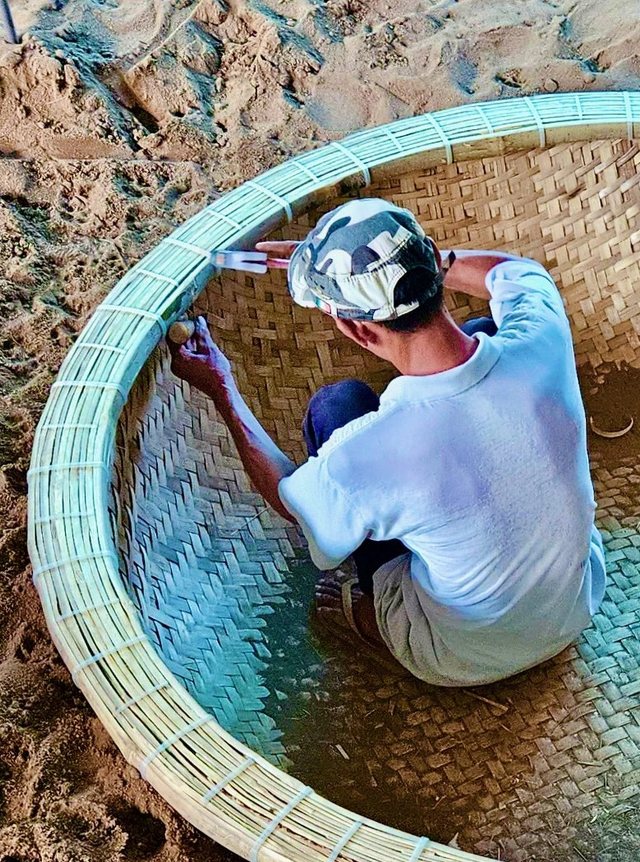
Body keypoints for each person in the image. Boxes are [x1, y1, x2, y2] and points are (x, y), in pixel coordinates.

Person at [166, 198, 607, 688]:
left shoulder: (369, 454)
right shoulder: (541, 336)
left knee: (339, 404)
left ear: (356, 328)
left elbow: (292, 501)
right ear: (433, 265)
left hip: (460, 655)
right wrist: (412, 265)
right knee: (482, 331)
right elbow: (516, 271)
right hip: (571, 607)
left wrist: (222, 389)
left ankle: (369, 618)